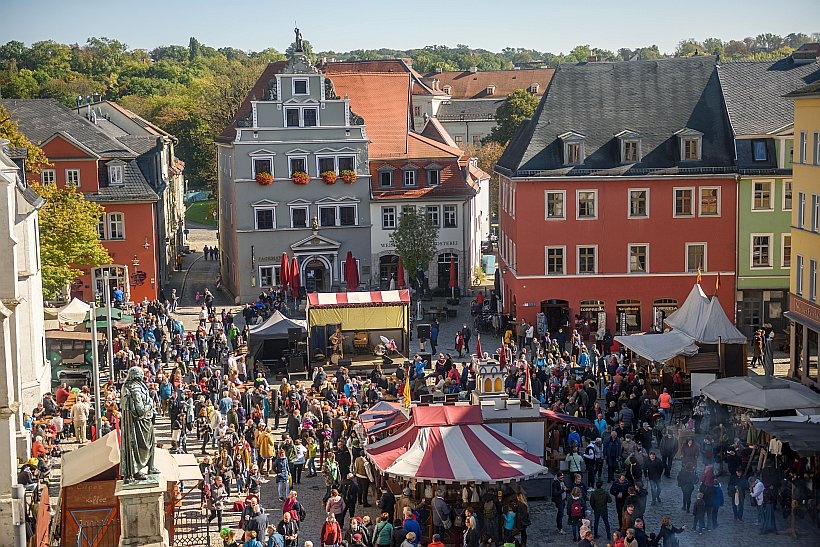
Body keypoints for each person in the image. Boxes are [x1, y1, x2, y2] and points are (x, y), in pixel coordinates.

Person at [120, 366, 158, 482]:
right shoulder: (135, 388)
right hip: (140, 423)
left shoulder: (133, 386)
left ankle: (151, 467)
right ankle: (138, 470)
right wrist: (150, 404)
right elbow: (140, 410)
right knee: (144, 446)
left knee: (151, 444)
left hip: (144, 421)